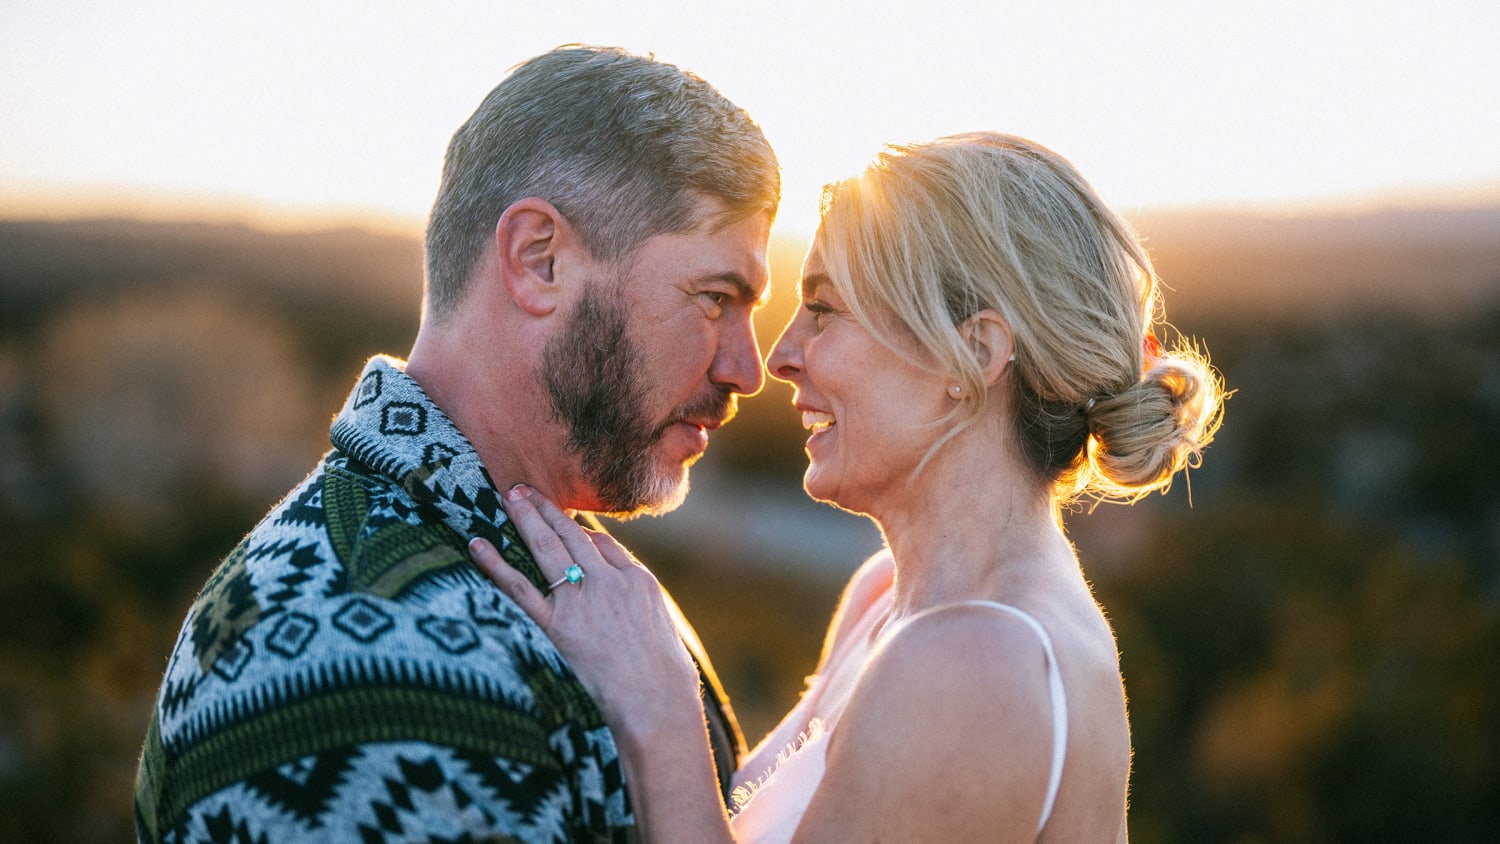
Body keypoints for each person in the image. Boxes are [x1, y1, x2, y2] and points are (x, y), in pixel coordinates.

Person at [472, 132, 1225, 842]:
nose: (782, 355)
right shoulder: (886, 597)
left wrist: (660, 713)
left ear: (974, 354)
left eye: (825, 310)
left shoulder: (979, 663)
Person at [134, 45, 779, 842]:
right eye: (716, 298)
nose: (747, 369)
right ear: (538, 259)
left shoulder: (557, 563)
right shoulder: (369, 675)